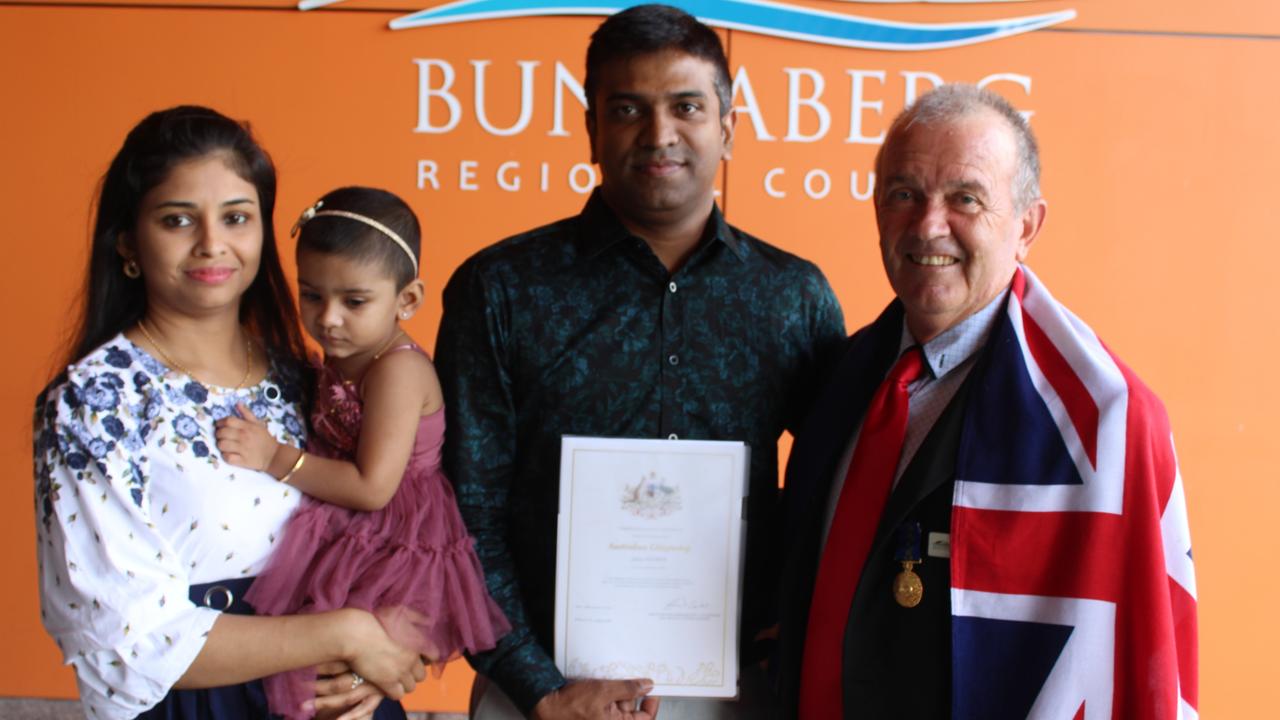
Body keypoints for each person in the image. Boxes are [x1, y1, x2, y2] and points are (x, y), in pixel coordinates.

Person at [434, 5, 846, 719]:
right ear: (591, 127)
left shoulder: (792, 296)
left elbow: (836, 491)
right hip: (540, 693)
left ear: (727, 127)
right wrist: (541, 688)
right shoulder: (500, 289)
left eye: (687, 106)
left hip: (740, 688)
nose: (660, 135)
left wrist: (795, 623)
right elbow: (465, 509)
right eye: (628, 109)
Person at [774, 84, 1198, 719]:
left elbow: (1140, 665)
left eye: (965, 198)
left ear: (1026, 225)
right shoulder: (840, 375)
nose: (927, 225)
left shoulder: (1105, 421)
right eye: (903, 194)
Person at [33, 106, 426, 720]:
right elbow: (123, 639)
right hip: (201, 706)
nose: (212, 243)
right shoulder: (98, 399)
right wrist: (346, 635)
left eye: (236, 217)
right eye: (177, 220)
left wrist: (388, 653)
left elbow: (397, 527)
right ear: (128, 243)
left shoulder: (307, 377)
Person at [214, 186, 511, 719]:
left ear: (408, 300)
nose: (328, 319)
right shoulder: (341, 352)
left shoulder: (397, 370)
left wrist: (272, 456)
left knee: (344, 684)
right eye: (311, 295)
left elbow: (373, 488)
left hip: (396, 539)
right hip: (345, 525)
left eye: (354, 301)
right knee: (308, 665)